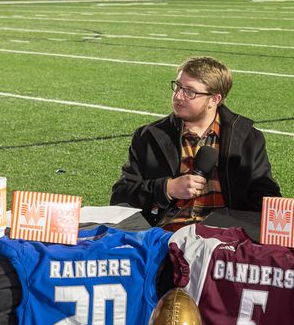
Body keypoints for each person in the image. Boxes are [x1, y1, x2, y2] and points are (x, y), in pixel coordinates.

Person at [110, 56, 281, 229]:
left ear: (214, 99)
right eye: (177, 86)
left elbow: (266, 198)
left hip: (227, 236)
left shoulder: (248, 138)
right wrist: (167, 188)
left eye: (189, 91)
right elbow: (120, 196)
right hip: (167, 236)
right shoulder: (149, 136)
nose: (178, 96)